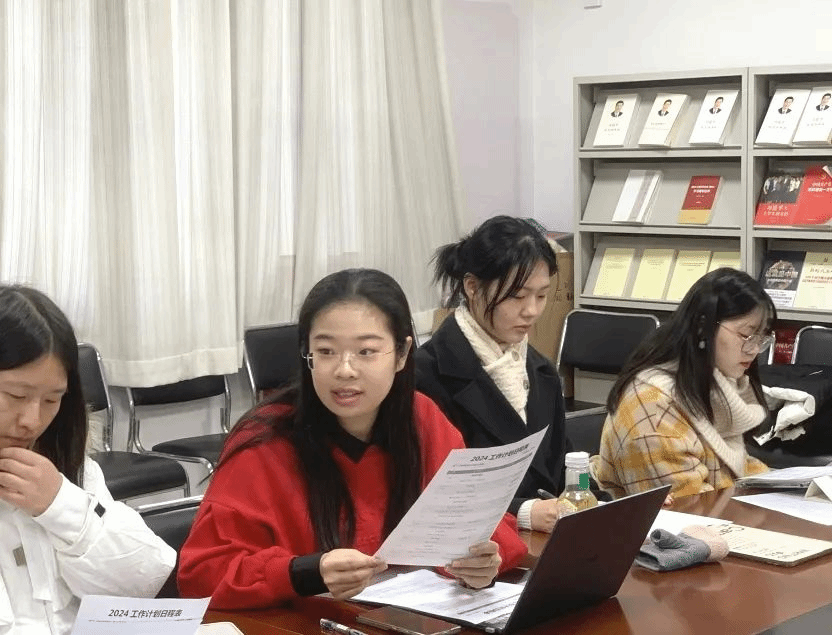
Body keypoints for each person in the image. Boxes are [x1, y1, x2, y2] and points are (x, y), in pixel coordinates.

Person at [177, 269, 526, 609]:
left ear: (402, 354)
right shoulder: (264, 441)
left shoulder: (422, 418)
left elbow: (480, 525)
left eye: (366, 352)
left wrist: (481, 563)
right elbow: (202, 574)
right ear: (307, 354)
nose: (344, 370)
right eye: (326, 351)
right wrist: (304, 572)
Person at [0, 285, 175, 634]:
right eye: (16, 395)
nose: (32, 421)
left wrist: (60, 505)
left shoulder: (65, 468)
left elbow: (143, 581)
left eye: (52, 400)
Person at [414, 216, 569, 533]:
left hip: (549, 540)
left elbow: (563, 465)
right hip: (475, 546)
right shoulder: (425, 374)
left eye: (541, 296)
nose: (531, 311)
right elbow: (431, 490)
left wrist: (593, 498)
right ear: (472, 287)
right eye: (517, 296)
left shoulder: (542, 371)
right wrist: (523, 512)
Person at [592, 268, 774, 498]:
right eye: (747, 336)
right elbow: (688, 504)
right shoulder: (652, 405)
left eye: (762, 337)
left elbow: (740, 468)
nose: (755, 349)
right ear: (703, 327)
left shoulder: (714, 385)